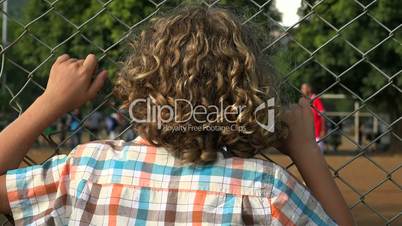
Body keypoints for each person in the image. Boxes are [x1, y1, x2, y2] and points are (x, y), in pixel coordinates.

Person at [0, 6, 354, 225]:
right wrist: (306, 149)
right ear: (248, 99)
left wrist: (50, 102)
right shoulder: (266, 189)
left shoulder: (85, 171)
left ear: (138, 88)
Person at [301, 83, 327, 152]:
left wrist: (323, 130)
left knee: (318, 155)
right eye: (301, 88)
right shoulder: (303, 101)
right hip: (307, 134)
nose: (301, 90)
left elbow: (322, 116)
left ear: (309, 89)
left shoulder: (316, 100)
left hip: (316, 134)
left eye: (304, 88)